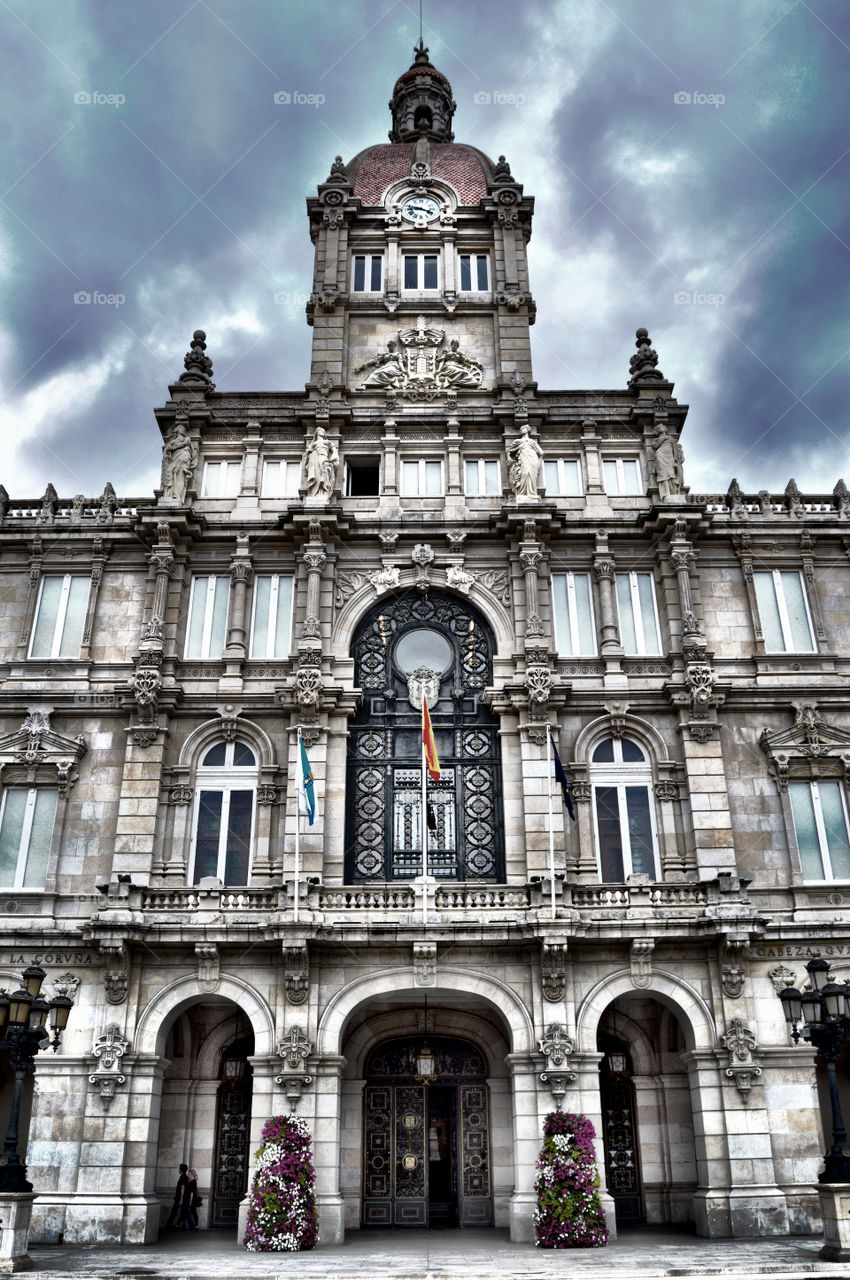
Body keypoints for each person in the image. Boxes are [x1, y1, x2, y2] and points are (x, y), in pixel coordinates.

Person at [507, 423, 543, 499]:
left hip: (532, 459)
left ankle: (531, 493)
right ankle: (522, 493)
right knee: (525, 473)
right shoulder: (518, 441)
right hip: (523, 459)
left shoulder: (532, 442)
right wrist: (509, 458)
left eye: (523, 428)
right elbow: (509, 450)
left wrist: (538, 463)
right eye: (520, 429)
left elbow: (541, 452)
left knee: (531, 475)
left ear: (528, 430)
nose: (521, 429)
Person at [164, 1163, 188, 1229]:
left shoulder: (183, 1177)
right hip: (181, 1198)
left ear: (181, 1170)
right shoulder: (184, 1177)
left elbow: (182, 1189)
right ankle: (182, 1226)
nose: (179, 1170)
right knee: (183, 1212)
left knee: (174, 1212)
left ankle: (168, 1226)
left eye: (179, 1168)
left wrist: (181, 1199)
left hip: (180, 1198)